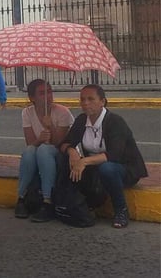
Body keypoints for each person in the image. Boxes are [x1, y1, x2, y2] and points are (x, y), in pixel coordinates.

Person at [58, 85, 148, 228]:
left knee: (107, 168)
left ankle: (121, 210)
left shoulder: (115, 122)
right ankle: (69, 203)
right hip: (95, 168)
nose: (85, 103)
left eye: (91, 99)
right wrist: (71, 151)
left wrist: (84, 161)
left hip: (122, 169)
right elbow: (64, 144)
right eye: (82, 99)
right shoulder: (82, 120)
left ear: (102, 102)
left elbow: (114, 155)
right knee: (64, 159)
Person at [14, 79, 73, 222]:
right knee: (29, 152)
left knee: (44, 150)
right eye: (42, 93)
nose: (48, 96)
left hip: (61, 154)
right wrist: (40, 139)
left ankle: (48, 201)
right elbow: (31, 143)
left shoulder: (63, 112)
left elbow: (60, 143)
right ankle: (21, 198)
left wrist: (51, 125)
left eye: (49, 91)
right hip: (40, 150)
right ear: (32, 98)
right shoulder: (27, 113)